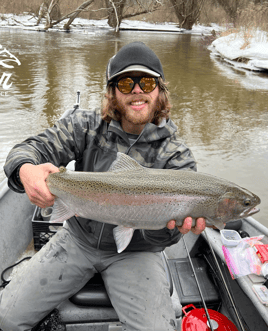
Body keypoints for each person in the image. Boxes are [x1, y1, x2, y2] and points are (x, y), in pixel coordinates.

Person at [0, 41, 206, 331]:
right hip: (77, 239)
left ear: (159, 91)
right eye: (126, 82)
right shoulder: (84, 126)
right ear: (112, 92)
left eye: (146, 82)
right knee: (5, 320)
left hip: (138, 252)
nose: (137, 89)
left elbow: (166, 241)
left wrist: (171, 231)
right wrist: (26, 170)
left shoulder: (176, 156)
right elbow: (28, 150)